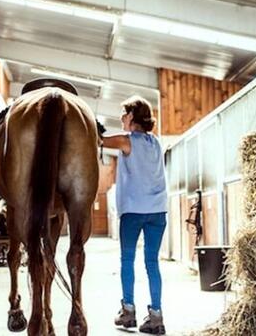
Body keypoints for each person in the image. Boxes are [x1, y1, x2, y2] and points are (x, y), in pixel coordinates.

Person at [101, 96, 168, 335]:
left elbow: (98, 139)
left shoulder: (126, 141)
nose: (121, 118)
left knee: (127, 260)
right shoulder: (157, 143)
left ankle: (128, 312)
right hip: (158, 211)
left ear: (131, 117)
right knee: (152, 263)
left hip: (133, 211)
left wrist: (92, 125)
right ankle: (156, 317)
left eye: (123, 114)